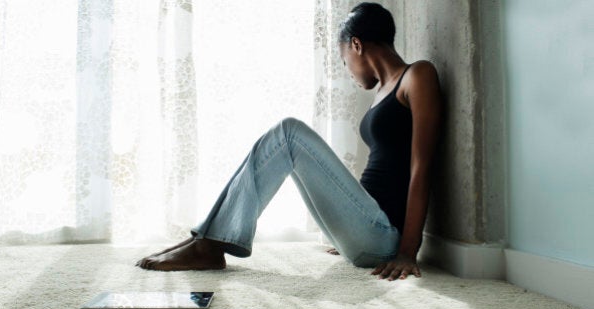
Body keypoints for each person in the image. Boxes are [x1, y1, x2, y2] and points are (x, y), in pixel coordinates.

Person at [136, 2, 442, 281]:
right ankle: (205, 238)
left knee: (288, 133)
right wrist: (350, 227)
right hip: (366, 230)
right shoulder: (382, 93)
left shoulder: (418, 75)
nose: (346, 70)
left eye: (343, 60)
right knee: (283, 141)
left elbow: (421, 168)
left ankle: (209, 244)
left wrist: (406, 251)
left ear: (356, 45)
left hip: (383, 236)